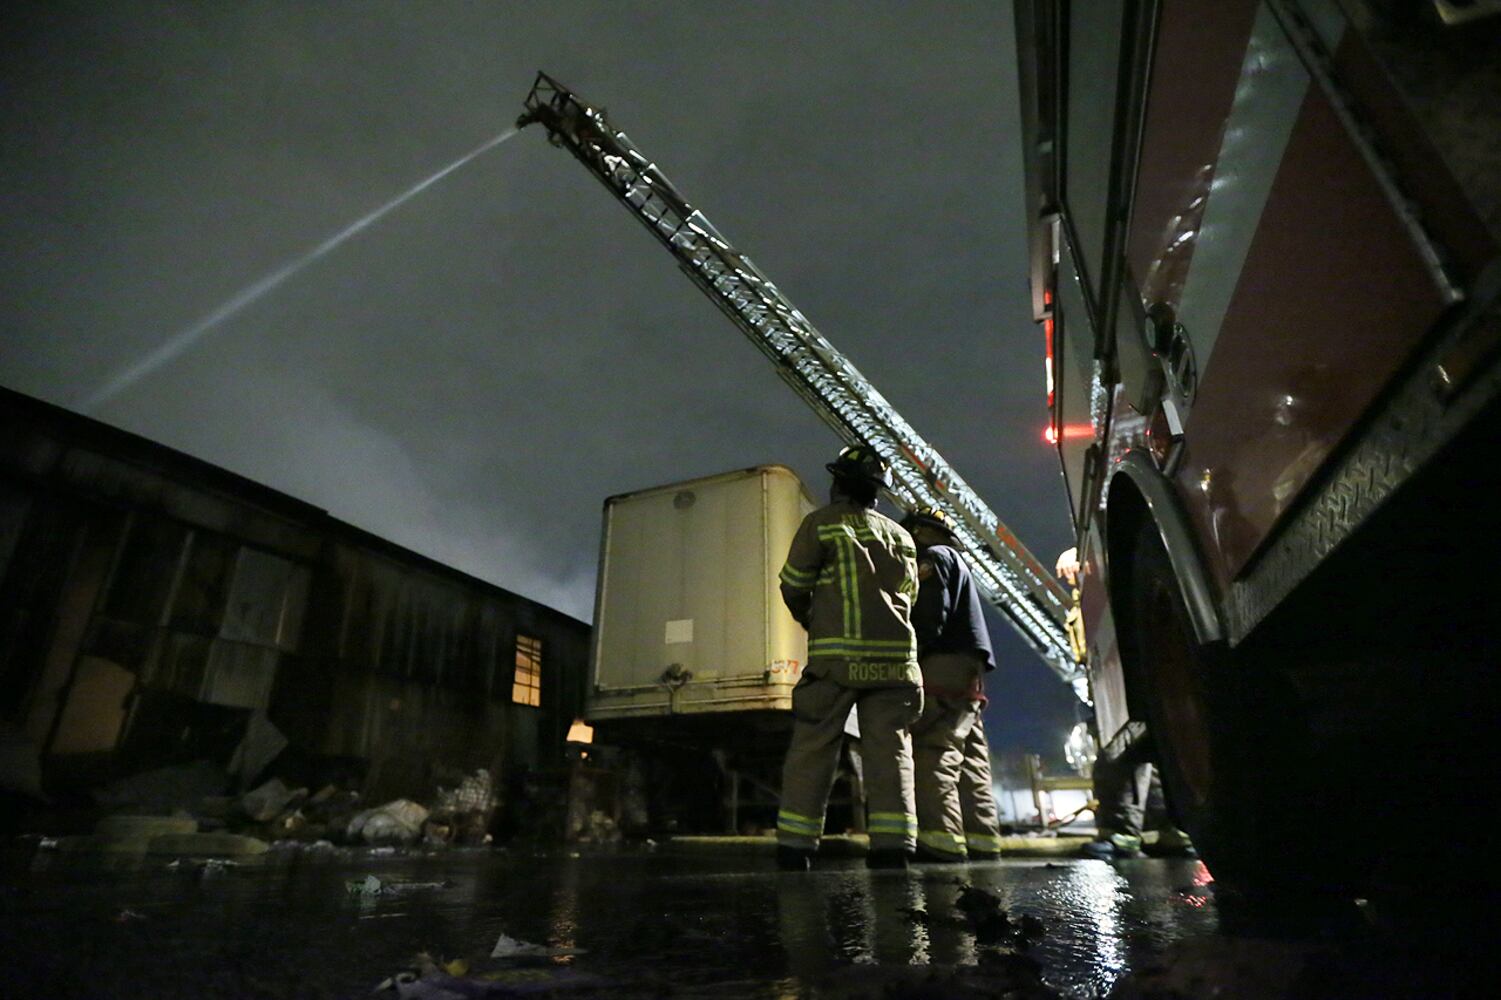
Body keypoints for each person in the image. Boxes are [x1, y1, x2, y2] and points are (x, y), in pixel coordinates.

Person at [775, 445, 923, 871]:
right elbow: (909, 598)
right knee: (891, 751)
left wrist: (814, 620)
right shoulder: (903, 537)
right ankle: (894, 848)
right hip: (897, 665)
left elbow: (793, 585)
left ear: (838, 482)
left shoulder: (821, 524)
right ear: (878, 493)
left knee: (813, 747)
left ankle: (796, 848)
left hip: (836, 663)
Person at [900, 505, 999, 863]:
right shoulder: (957, 560)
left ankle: (941, 839)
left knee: (934, 750)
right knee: (971, 757)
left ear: (920, 531)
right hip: (969, 669)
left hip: (941, 665)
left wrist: (915, 652)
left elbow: (929, 614)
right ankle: (983, 840)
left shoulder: (933, 557)